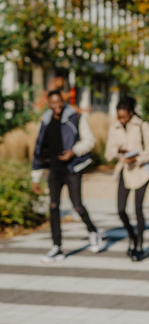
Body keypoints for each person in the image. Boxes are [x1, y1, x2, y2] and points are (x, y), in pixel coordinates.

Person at [32, 90, 102, 262]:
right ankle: (57, 247)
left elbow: (89, 141)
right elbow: (39, 148)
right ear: (49, 104)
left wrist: (74, 151)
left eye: (59, 102)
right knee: (53, 206)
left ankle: (93, 231)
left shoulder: (76, 118)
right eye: (53, 103)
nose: (57, 106)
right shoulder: (46, 120)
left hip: (72, 168)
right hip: (54, 170)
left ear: (63, 102)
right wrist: (36, 176)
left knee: (77, 205)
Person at [105, 96, 149, 261]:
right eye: (118, 116)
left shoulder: (142, 125)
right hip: (124, 171)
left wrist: (137, 157)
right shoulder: (114, 128)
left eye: (124, 116)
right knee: (121, 210)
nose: (121, 120)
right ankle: (132, 235)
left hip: (141, 172)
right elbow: (108, 153)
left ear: (130, 113)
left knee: (138, 209)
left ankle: (139, 245)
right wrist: (119, 152)